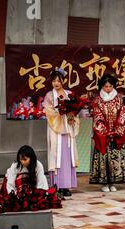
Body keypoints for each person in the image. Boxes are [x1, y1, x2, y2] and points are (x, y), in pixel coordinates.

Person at [0, 145, 61, 213]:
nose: (22, 162)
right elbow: (10, 183)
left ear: (31, 158)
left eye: (25, 159)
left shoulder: (38, 165)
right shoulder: (15, 166)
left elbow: (41, 181)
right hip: (17, 187)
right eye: (20, 159)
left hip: (29, 187)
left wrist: (38, 197)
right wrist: (15, 197)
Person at [89, 74, 125, 192]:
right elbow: (97, 116)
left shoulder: (119, 98)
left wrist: (118, 130)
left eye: (110, 86)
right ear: (102, 86)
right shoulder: (97, 100)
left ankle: (113, 182)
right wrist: (104, 131)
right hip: (103, 135)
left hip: (115, 134)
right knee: (103, 158)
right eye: (106, 86)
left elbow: (123, 115)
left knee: (115, 158)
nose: (108, 88)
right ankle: (105, 183)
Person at [42, 67, 79, 197]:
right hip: (55, 129)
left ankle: (66, 185)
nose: (56, 83)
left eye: (58, 80)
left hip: (67, 128)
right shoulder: (49, 95)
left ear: (63, 80)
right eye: (54, 81)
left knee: (67, 156)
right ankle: (57, 185)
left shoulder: (69, 94)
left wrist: (71, 115)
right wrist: (60, 112)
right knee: (56, 154)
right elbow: (48, 111)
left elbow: (75, 110)